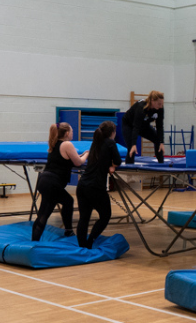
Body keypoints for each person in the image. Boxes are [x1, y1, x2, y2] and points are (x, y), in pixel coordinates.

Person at [30, 122, 89, 242]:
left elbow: (71, 158)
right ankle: (68, 231)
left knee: (45, 211)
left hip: (45, 180)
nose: (73, 133)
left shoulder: (54, 143)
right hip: (52, 182)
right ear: (67, 133)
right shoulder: (67, 144)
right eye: (72, 131)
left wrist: (80, 155)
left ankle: (35, 240)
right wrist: (87, 154)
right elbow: (78, 162)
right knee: (66, 202)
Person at [75, 121, 121, 249]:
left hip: (83, 185)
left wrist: (107, 165)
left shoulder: (95, 144)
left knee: (84, 218)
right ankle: (90, 241)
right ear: (112, 133)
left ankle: (82, 246)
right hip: (95, 187)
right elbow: (117, 160)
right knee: (105, 216)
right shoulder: (110, 142)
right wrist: (112, 166)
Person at [123, 90, 164, 164]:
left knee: (158, 141)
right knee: (132, 148)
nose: (161, 106)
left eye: (162, 104)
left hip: (144, 125)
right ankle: (129, 168)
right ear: (152, 101)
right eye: (159, 104)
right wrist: (134, 144)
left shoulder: (160, 109)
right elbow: (136, 127)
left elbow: (160, 126)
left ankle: (161, 164)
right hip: (129, 124)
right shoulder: (141, 108)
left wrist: (161, 142)